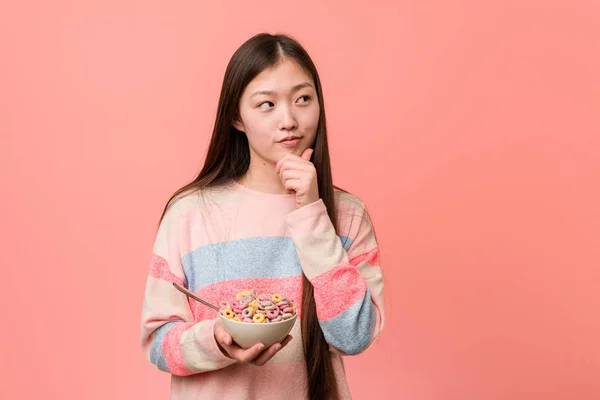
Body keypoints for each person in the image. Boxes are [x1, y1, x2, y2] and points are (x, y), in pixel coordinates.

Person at [140, 32, 385, 400]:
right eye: (266, 104)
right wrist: (217, 341)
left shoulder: (347, 216)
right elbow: (157, 343)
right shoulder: (191, 214)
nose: (289, 120)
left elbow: (354, 336)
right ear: (236, 117)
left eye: (303, 99)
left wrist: (313, 215)